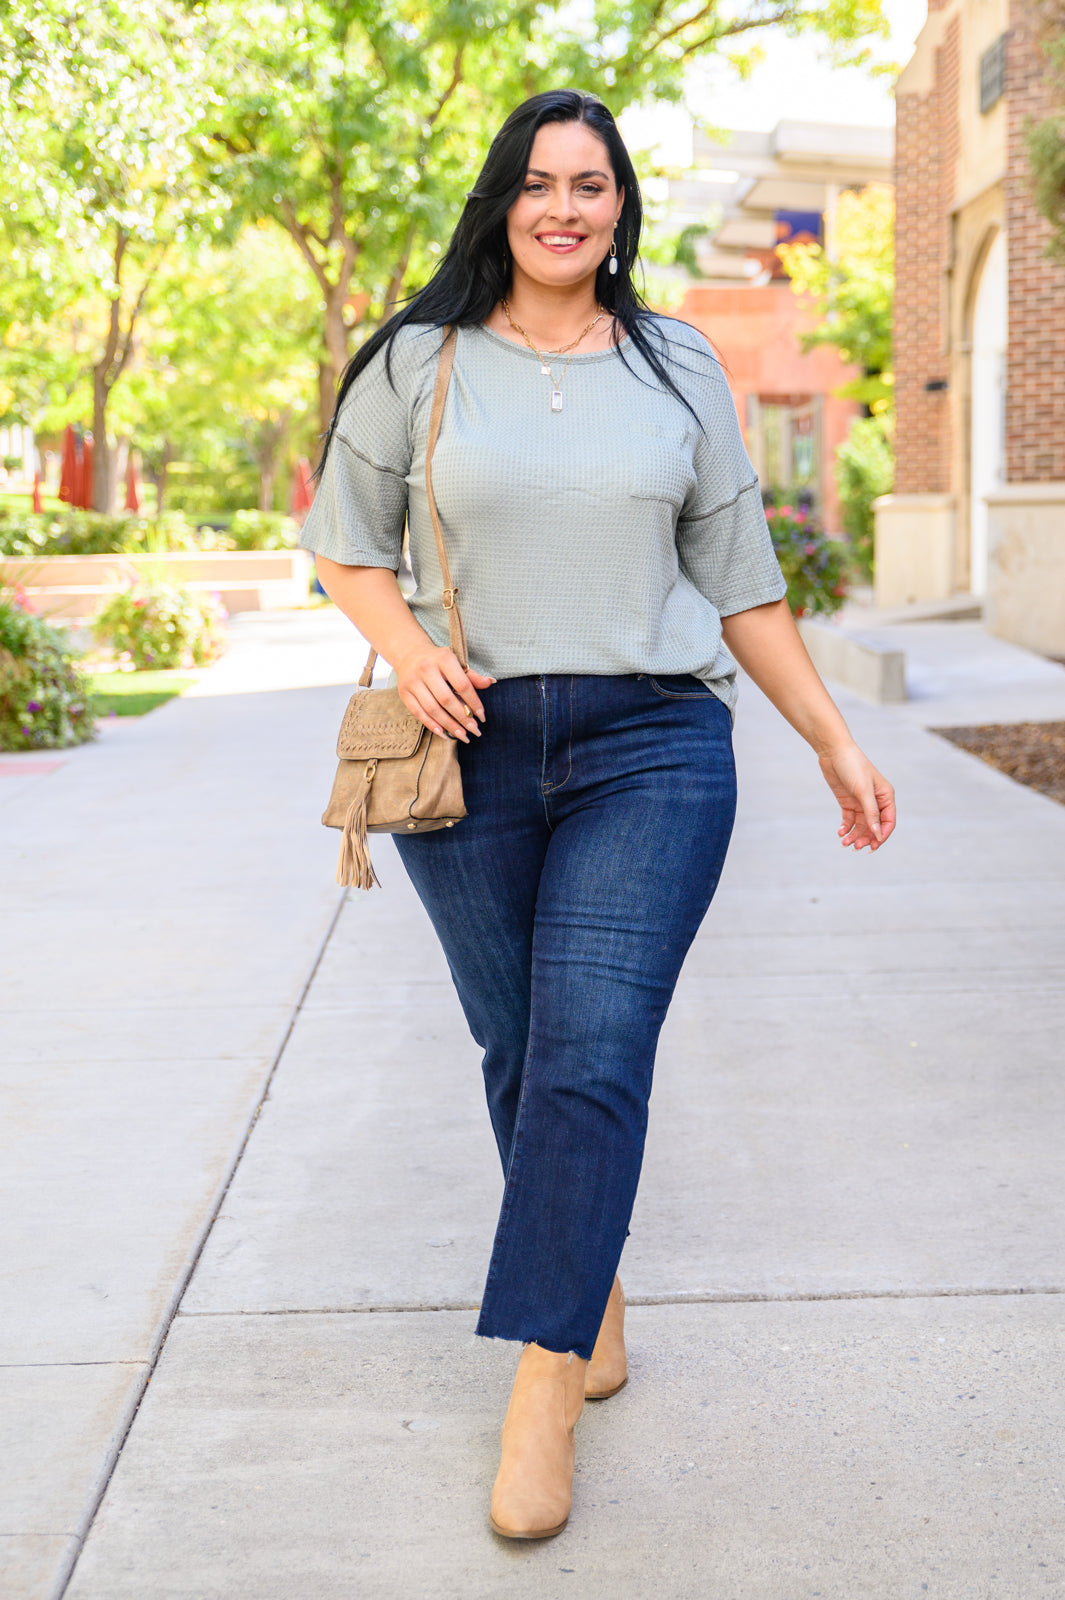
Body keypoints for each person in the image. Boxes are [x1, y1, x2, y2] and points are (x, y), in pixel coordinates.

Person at [300, 88, 896, 1542]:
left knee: (591, 1049)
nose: (564, 207)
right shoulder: (419, 359)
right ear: (501, 200)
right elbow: (343, 545)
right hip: (469, 744)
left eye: (592, 184)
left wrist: (827, 735)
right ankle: (594, 1284)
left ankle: (541, 1379)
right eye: (538, 182)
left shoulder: (677, 363)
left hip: (653, 743)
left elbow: (741, 577)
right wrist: (414, 649)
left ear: (619, 208)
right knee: (521, 1046)